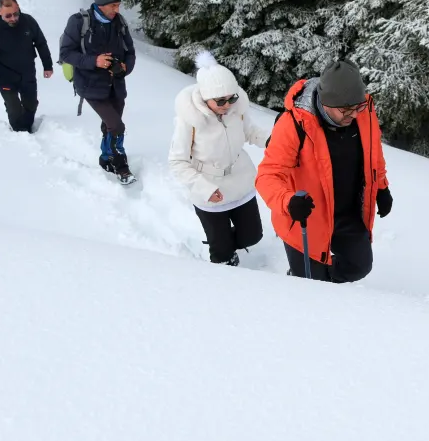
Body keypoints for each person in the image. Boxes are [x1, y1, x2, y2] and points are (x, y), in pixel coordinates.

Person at [255, 59, 392, 282]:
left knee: (359, 265)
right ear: (326, 103)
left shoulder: (363, 110)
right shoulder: (294, 124)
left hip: (347, 214)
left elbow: (373, 153)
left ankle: (325, 287)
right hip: (307, 217)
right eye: (346, 110)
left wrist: (382, 188)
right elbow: (268, 175)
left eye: (357, 107)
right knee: (309, 282)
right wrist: (287, 201)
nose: (354, 115)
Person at [168, 54, 271, 266]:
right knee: (221, 252)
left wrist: (272, 141)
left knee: (252, 236)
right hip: (210, 190)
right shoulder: (189, 121)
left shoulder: (237, 110)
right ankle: (224, 264)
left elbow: (250, 131)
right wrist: (204, 189)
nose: (227, 105)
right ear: (206, 99)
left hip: (240, 181)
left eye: (232, 98)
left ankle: (224, 242)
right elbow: (177, 162)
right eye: (220, 101)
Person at [59, 0, 137, 184]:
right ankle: (121, 166)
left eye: (118, 5)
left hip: (116, 85)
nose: (116, 10)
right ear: (100, 4)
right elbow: (66, 54)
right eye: (113, 5)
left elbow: (130, 52)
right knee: (117, 125)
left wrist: (125, 68)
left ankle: (105, 158)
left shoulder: (119, 22)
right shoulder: (79, 22)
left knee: (110, 125)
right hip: (90, 85)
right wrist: (95, 61)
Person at [0, 0, 54, 133]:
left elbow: (41, 43)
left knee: (31, 104)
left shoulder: (28, 21)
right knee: (14, 108)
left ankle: (28, 127)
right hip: (5, 75)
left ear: (18, 8)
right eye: (8, 16)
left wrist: (47, 65)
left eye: (15, 14)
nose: (13, 18)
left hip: (27, 72)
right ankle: (20, 135)